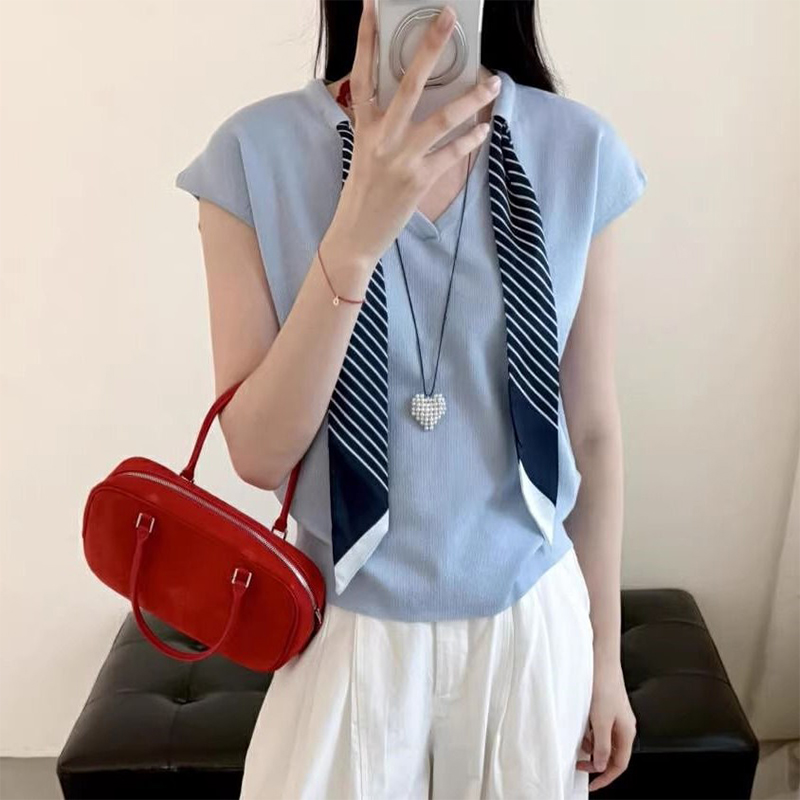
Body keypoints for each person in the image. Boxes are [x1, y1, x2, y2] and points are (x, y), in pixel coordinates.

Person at [174, 0, 648, 797]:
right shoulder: (253, 156)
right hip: (343, 633)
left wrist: (607, 661)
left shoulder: (577, 150)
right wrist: (355, 236)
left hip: (530, 631)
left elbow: (591, 431)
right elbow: (257, 454)